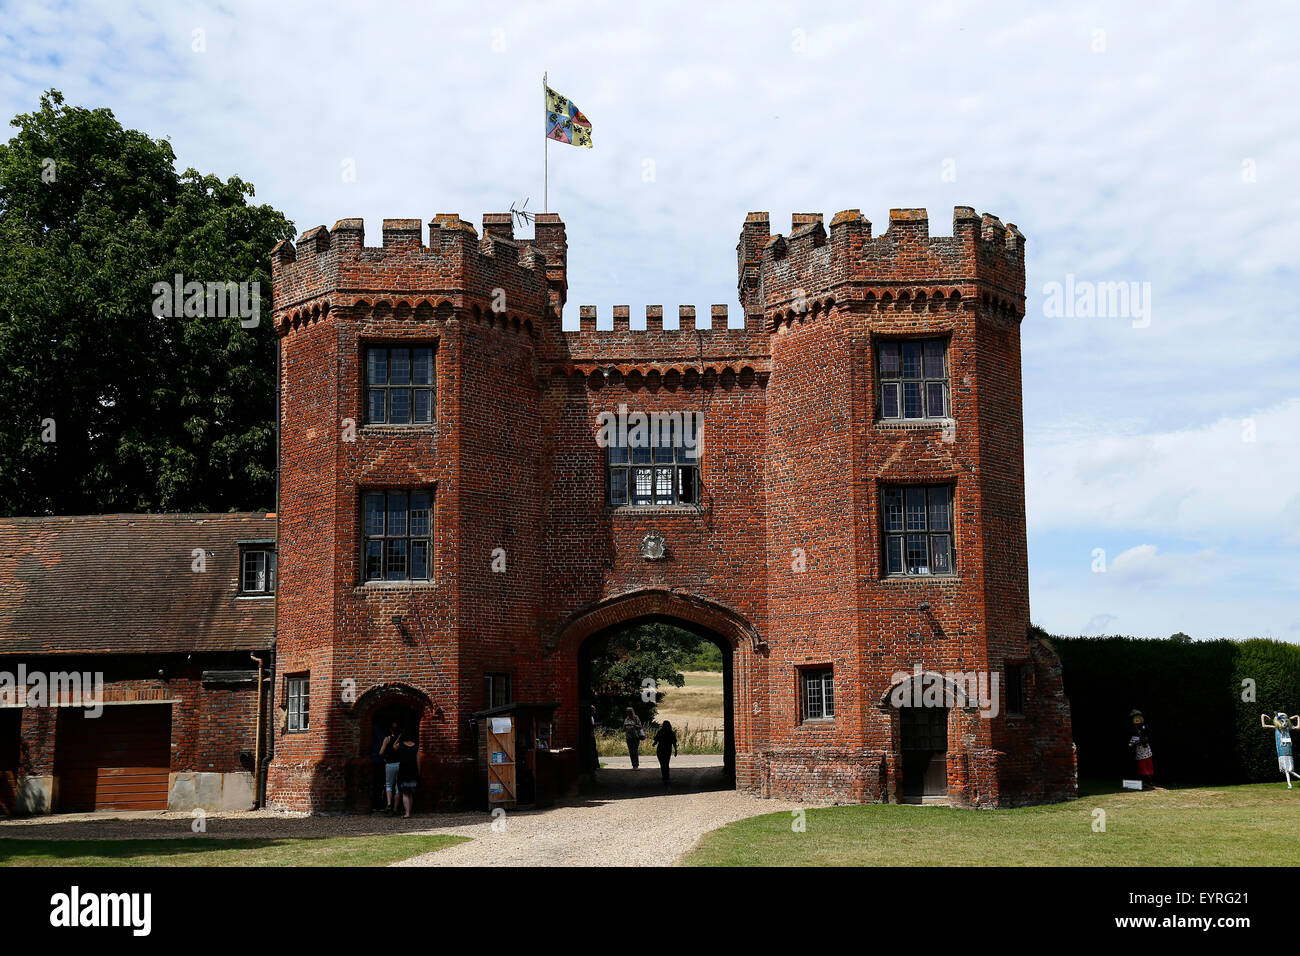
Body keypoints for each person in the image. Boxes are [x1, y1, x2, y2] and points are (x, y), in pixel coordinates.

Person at [378, 721, 404, 814]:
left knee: (389, 785)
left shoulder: (387, 739)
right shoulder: (401, 740)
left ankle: (389, 804)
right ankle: (395, 809)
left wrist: (385, 756)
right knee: (398, 786)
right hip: (400, 764)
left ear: (390, 730)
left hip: (389, 764)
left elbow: (381, 752)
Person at [1127, 709, 1155, 790]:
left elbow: (1145, 736)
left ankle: (1148, 781)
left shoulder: (1144, 727)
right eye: (1135, 720)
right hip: (1139, 749)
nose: (1137, 721)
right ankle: (1144, 782)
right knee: (1142, 765)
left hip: (1145, 748)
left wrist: (1143, 743)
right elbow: (1132, 741)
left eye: (1138, 719)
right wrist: (1132, 743)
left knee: (1147, 764)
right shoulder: (1133, 729)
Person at [395, 728, 419, 817]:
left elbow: (393, 747)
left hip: (403, 770)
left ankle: (407, 813)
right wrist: (418, 771)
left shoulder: (400, 745)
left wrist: (398, 738)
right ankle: (409, 811)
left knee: (405, 792)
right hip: (413, 770)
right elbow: (418, 760)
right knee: (410, 793)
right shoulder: (416, 746)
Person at [653, 720, 678, 785]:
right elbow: (674, 743)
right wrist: (675, 751)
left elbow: (656, 740)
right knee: (666, 763)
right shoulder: (671, 733)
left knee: (662, 763)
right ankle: (666, 776)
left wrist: (654, 744)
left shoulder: (660, 731)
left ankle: (664, 776)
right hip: (667, 750)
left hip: (660, 749)